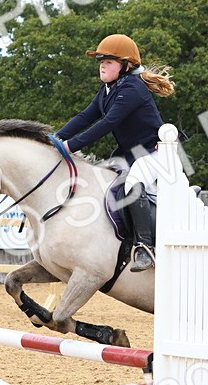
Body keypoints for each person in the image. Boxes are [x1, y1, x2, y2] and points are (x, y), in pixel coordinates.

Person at [55, 34, 175, 272]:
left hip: (154, 154)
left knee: (133, 183)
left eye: (109, 61)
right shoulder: (108, 90)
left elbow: (107, 123)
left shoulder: (133, 89)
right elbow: (84, 117)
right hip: (130, 154)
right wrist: (55, 138)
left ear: (125, 66)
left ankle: (145, 248)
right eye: (101, 60)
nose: (102, 64)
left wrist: (69, 147)